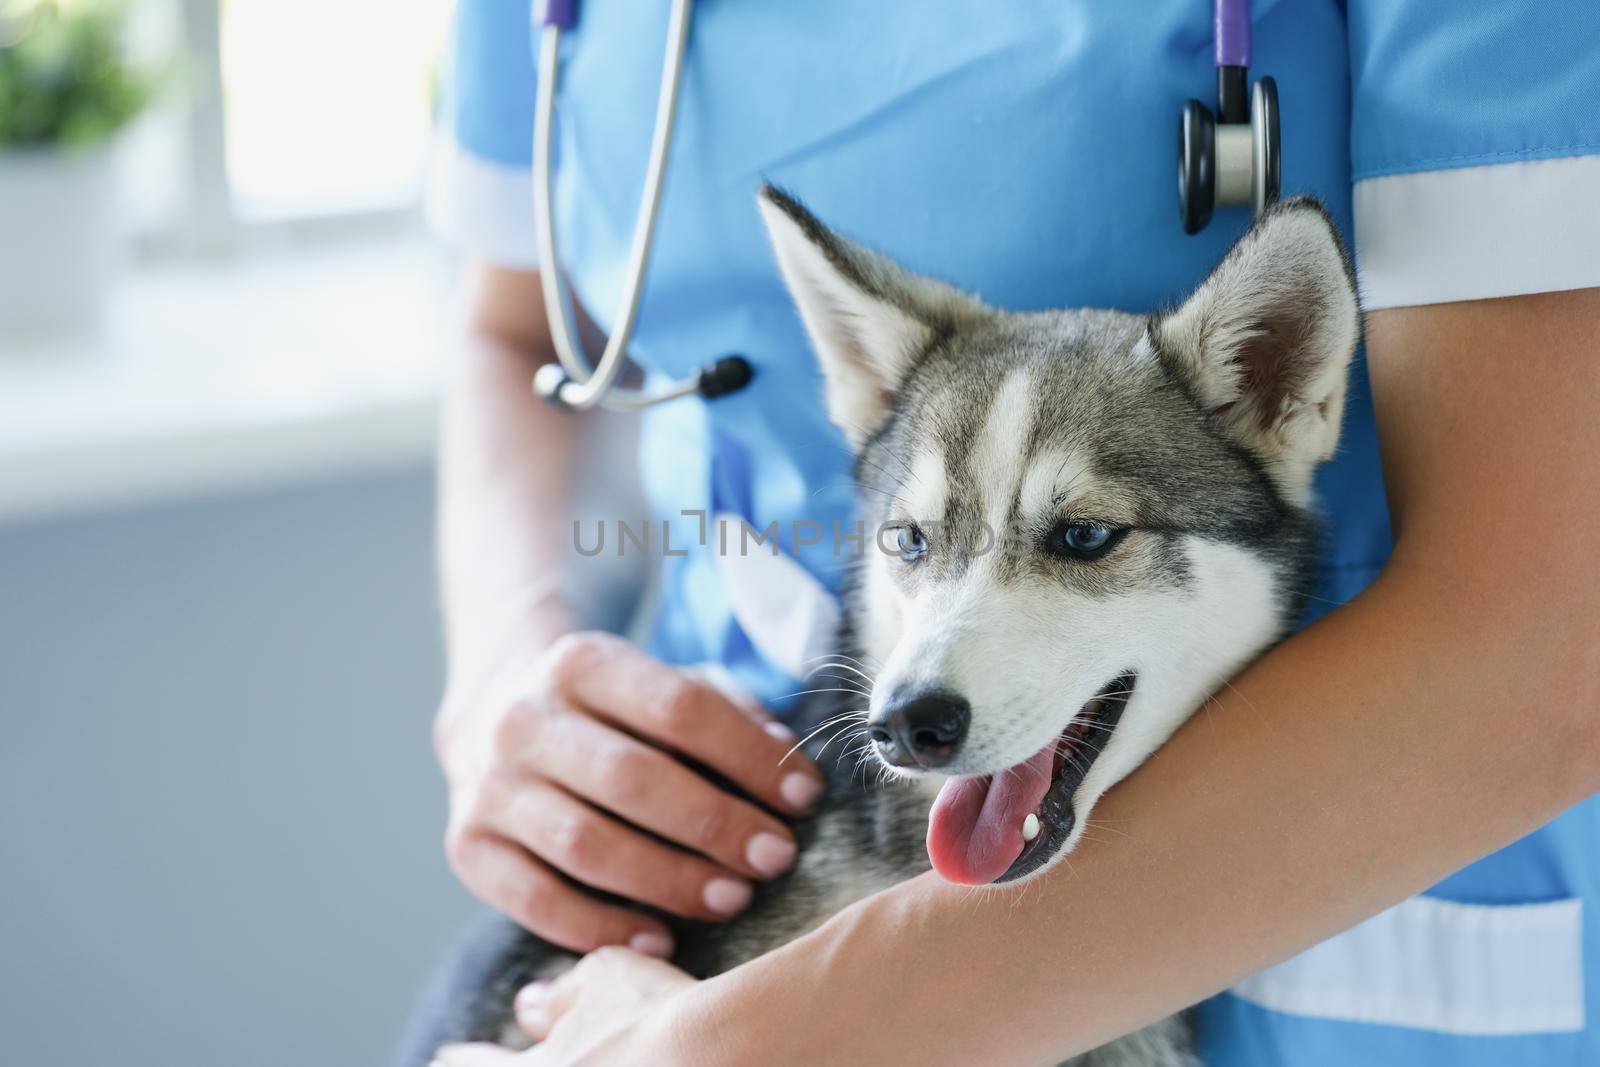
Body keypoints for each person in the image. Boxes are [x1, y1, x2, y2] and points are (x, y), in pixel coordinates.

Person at [404, 2, 1600, 1064]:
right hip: (709, 819)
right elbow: (513, 325)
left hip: (1337, 862)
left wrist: (739, 1043)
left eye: (1082, 537)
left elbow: (1546, 636)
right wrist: (502, 667)